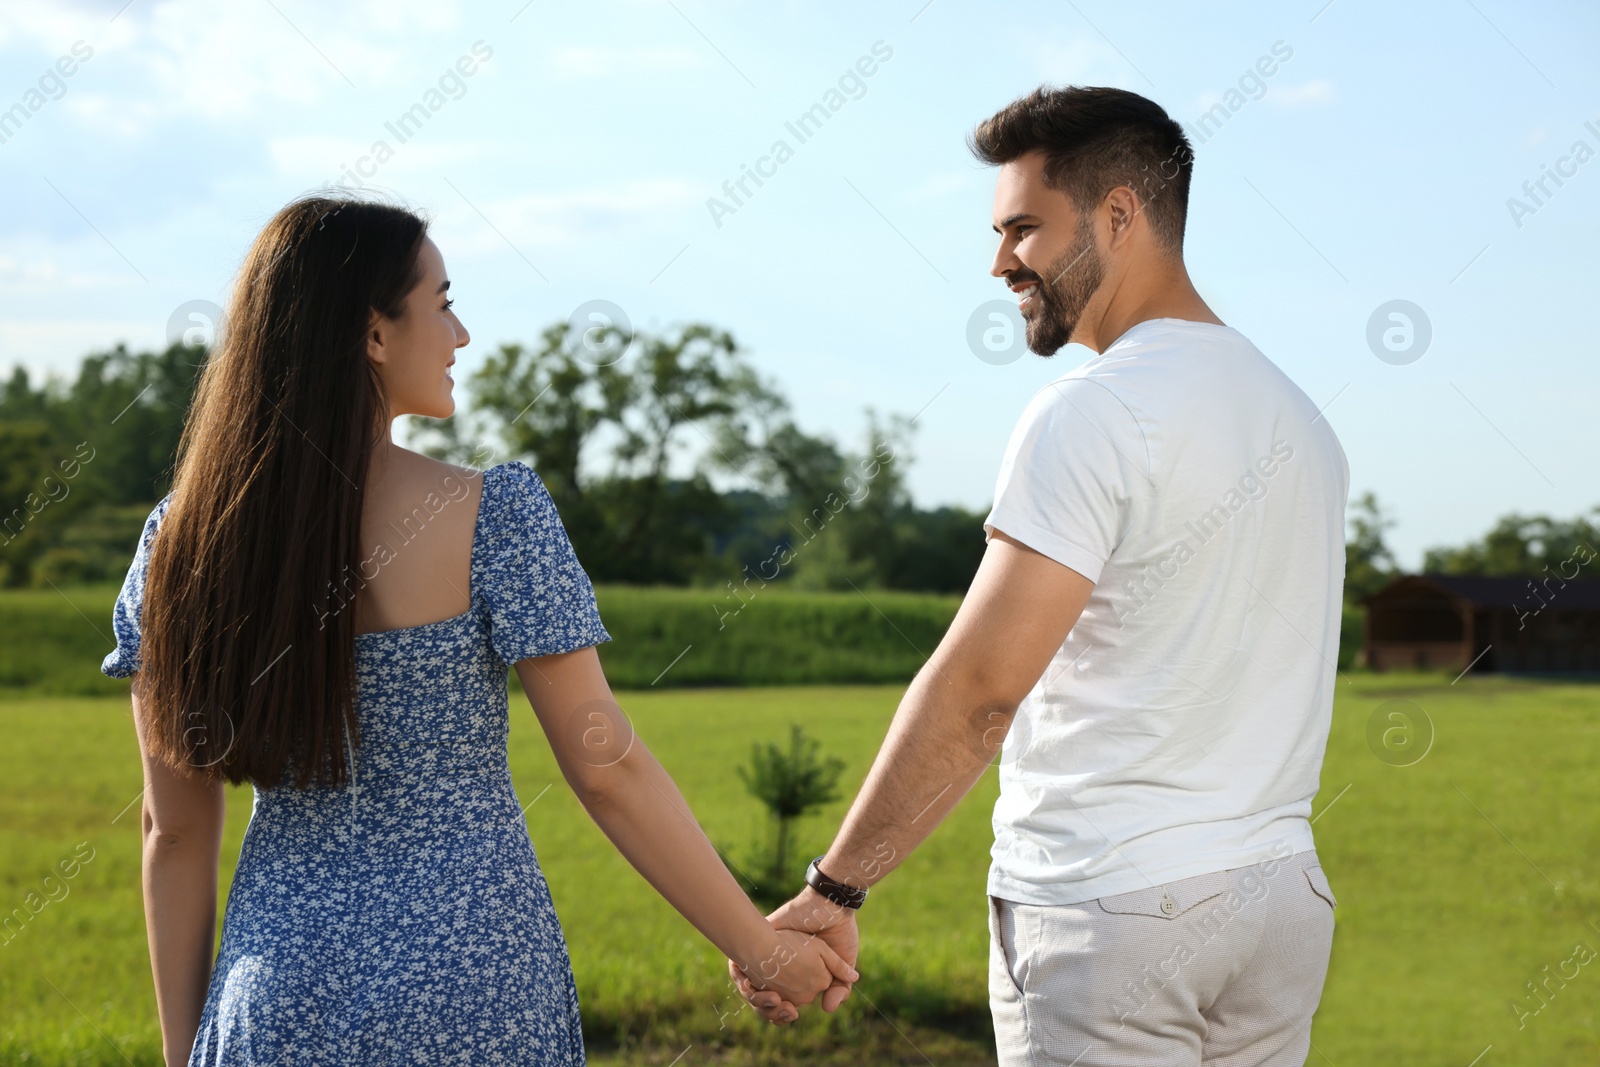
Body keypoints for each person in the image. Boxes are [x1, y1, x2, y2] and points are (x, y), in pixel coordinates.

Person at [102, 194, 854, 1067]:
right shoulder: (494, 515)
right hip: (480, 991)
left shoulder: (178, 545)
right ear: (373, 334)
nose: (461, 335)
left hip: (279, 998)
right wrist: (759, 948)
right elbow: (606, 768)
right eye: (444, 302)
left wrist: (186, 1051)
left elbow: (176, 832)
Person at [731, 86, 1349, 1066]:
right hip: (1276, 899)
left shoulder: (1092, 412)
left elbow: (982, 690)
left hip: (1113, 907)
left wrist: (836, 887)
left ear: (1117, 214)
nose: (997, 261)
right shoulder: (1299, 418)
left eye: (1022, 227)